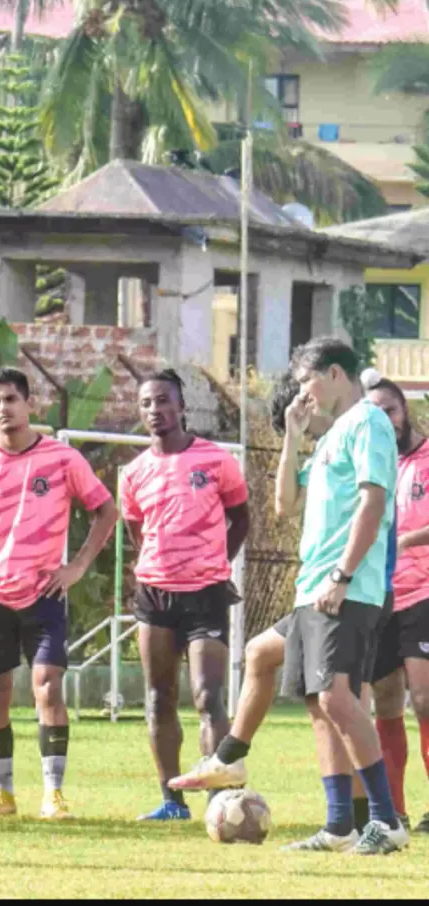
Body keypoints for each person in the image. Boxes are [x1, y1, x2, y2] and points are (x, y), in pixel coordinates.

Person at [172, 338, 406, 855]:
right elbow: (283, 505)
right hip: (313, 590)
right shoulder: (328, 439)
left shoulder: (368, 422)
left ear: (337, 375)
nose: (301, 393)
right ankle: (338, 824)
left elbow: (373, 503)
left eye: (307, 380)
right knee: (302, 690)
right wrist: (292, 438)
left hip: (346, 589)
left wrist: (342, 576)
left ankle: (387, 821)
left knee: (336, 699)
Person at [0, 368, 116, 822]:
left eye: (11, 400)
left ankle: (53, 794)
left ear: (29, 403)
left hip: (44, 592)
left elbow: (105, 510)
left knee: (47, 686)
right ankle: (3, 795)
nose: (4, 409)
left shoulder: (61, 459)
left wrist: (76, 567)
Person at [122, 369, 251, 822]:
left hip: (206, 594)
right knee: (158, 697)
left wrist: (217, 561)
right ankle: (171, 801)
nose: (154, 410)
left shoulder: (215, 460)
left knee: (205, 695)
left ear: (181, 406)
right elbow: (138, 529)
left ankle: (220, 795)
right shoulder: (134, 472)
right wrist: (160, 568)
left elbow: (241, 518)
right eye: (145, 404)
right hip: (155, 595)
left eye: (162, 401)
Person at [366, 375, 419, 827]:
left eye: (391, 410)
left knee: (424, 698)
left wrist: (405, 540)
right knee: (385, 700)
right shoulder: (369, 463)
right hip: (379, 596)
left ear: (405, 414)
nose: (384, 419)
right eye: (375, 412)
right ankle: (393, 810)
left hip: (424, 593)